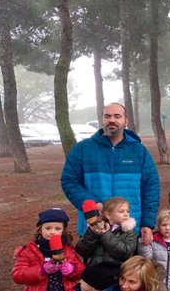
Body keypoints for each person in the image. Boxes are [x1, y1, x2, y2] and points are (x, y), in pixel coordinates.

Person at [61, 102, 159, 243]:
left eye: (117, 116)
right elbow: (69, 181)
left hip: (129, 231)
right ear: (102, 120)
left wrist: (147, 223)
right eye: (107, 116)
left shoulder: (139, 152)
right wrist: (93, 204)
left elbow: (151, 189)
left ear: (126, 121)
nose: (112, 120)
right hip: (94, 227)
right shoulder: (83, 149)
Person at [75, 196, 137, 265]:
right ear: (108, 215)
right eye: (121, 211)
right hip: (95, 269)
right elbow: (82, 251)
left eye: (127, 211)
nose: (126, 214)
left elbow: (125, 252)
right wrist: (93, 234)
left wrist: (105, 234)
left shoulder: (129, 231)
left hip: (116, 271)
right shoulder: (97, 228)